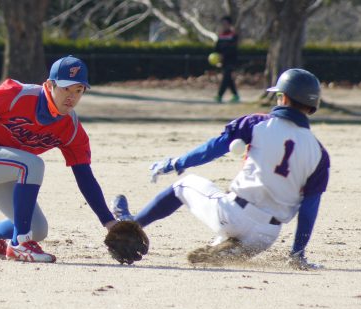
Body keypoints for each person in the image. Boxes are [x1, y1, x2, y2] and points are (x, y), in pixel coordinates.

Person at [112, 69, 330, 270]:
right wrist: (297, 254)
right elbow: (309, 210)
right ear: (312, 106)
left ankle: (132, 224)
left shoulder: (257, 123)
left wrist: (176, 163)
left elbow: (212, 149)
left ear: (283, 98)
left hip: (232, 215)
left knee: (183, 185)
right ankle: (225, 248)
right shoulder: (319, 153)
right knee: (217, 251)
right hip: (266, 236)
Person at [0, 55, 116, 263]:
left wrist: (108, 221)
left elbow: (84, 176)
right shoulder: (19, 95)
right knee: (32, 164)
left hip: (8, 167)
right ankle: (20, 244)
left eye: (78, 90)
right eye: (66, 88)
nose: (71, 96)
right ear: (49, 85)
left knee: (37, 229)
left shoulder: (71, 129)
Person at [214, 15, 239, 103]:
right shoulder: (220, 36)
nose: (224, 25)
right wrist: (217, 58)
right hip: (222, 61)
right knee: (228, 79)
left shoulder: (233, 35)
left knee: (226, 78)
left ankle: (219, 95)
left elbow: (233, 49)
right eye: (222, 24)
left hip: (231, 60)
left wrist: (224, 55)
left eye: (225, 24)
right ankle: (236, 95)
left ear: (229, 24)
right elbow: (217, 48)